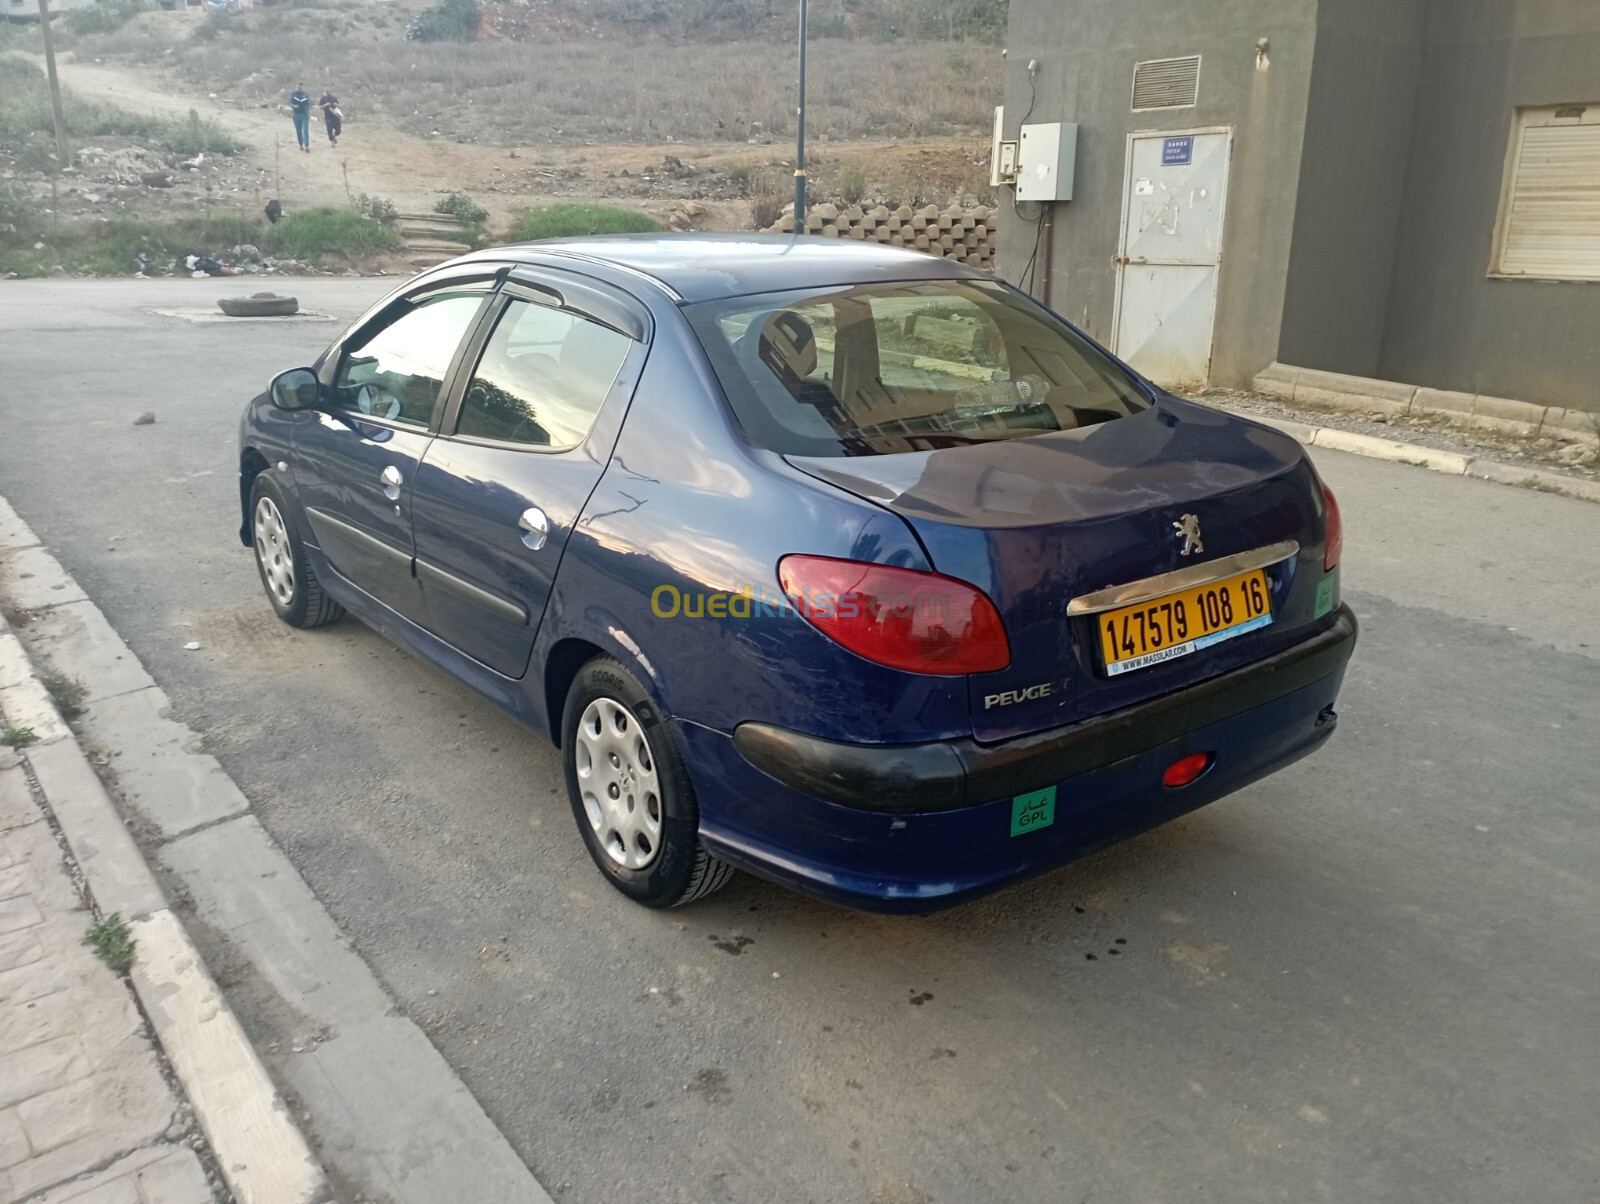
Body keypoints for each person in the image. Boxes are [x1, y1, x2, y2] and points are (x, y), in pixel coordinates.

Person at [289, 83, 312, 152]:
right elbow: (290, 102)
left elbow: (308, 103)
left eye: (301, 85)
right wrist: (293, 106)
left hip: (304, 114)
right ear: (296, 86)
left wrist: (308, 112)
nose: (299, 86)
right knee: (298, 130)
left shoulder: (305, 94)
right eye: (298, 85)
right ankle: (301, 145)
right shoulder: (293, 94)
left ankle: (306, 146)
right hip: (296, 114)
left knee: (305, 130)